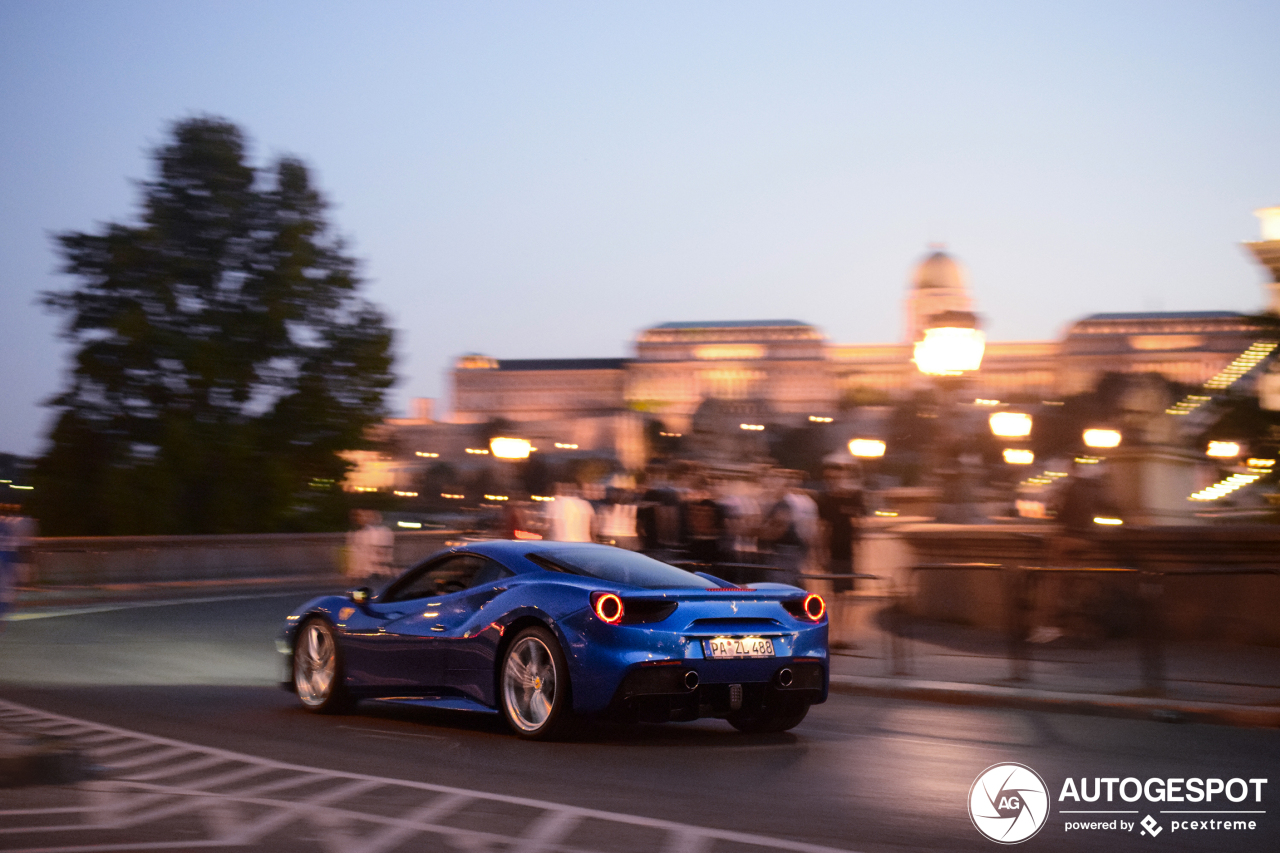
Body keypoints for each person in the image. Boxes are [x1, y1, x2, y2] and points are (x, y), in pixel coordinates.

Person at [816, 466, 867, 593]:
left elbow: (859, 521)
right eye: (829, 478)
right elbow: (822, 527)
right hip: (833, 549)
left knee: (849, 589)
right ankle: (837, 613)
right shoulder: (826, 500)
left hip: (849, 549)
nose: (833, 481)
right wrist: (821, 553)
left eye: (837, 477)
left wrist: (859, 544)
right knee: (836, 589)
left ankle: (844, 613)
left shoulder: (853, 498)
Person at [0, 504, 36, 631]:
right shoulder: (9, 525)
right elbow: (15, 548)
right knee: (5, 594)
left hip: (6, 560)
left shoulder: (7, 524)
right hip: (6, 561)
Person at [347, 509, 395, 581]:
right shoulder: (363, 532)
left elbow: (380, 551)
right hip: (366, 569)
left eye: (366, 516)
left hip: (371, 569)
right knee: (361, 589)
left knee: (363, 589)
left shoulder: (378, 532)